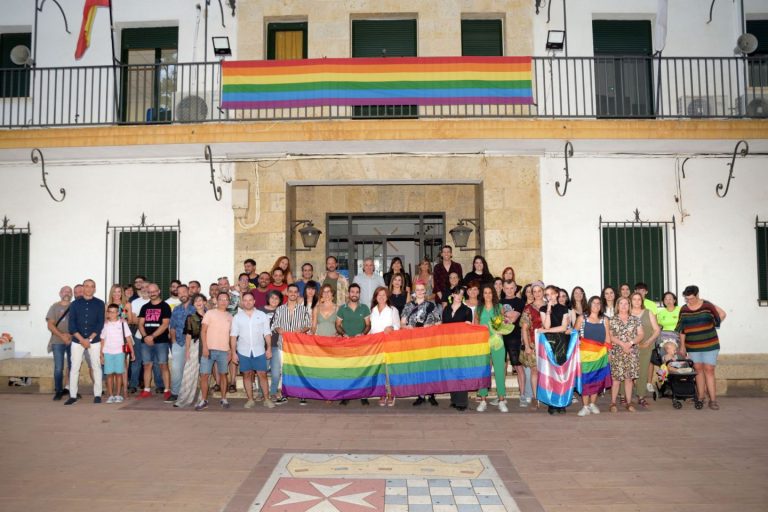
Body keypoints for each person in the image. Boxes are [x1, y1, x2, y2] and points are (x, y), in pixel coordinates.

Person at [676, 285, 726, 410]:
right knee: (697, 370)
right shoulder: (684, 309)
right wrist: (682, 346)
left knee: (709, 369)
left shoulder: (707, 306)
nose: (689, 301)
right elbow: (682, 329)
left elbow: (722, 314)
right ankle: (701, 397)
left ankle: (713, 400)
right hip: (692, 345)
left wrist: (713, 323)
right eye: (687, 299)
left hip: (710, 344)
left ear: (698, 295)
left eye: (691, 298)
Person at [230, 293, 275, 410]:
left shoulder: (262, 315)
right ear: (242, 302)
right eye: (245, 300)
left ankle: (267, 399)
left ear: (254, 301)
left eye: (250, 300)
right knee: (246, 375)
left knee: (263, 375)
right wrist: (233, 353)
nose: (248, 302)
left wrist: (269, 348)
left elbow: (267, 333)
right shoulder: (237, 317)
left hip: (259, 350)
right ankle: (250, 399)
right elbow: (233, 336)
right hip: (243, 351)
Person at [401, 280, 442, 406]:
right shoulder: (408, 306)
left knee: (430, 367)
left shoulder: (431, 305)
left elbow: (439, 323)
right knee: (418, 367)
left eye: (422, 289)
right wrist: (408, 327)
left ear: (425, 291)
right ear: (414, 291)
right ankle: (420, 394)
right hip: (414, 341)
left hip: (429, 341)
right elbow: (402, 323)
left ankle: (431, 394)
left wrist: (430, 325)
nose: (419, 292)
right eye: (417, 289)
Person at [65, 279, 105, 405]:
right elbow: (71, 325)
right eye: (87, 286)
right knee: (74, 368)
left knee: (96, 367)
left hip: (94, 340)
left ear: (94, 288)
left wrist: (90, 339)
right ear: (83, 288)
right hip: (77, 340)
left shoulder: (100, 303)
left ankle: (97, 394)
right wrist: (82, 340)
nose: (89, 288)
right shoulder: (75, 304)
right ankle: (72, 395)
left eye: (92, 286)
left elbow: (100, 324)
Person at [272, 284, 311, 404]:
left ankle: (302, 394)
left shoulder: (303, 309)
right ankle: (285, 394)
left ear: (298, 294)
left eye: (295, 292)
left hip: (298, 346)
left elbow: (307, 325)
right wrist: (279, 330)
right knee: (285, 370)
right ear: (287, 293)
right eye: (291, 291)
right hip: (282, 345)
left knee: (299, 370)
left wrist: (301, 330)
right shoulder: (280, 309)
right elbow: (275, 325)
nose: (293, 293)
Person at [574, 296, 612, 416]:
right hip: (584, 355)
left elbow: (607, 337)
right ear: (589, 304)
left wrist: (609, 352)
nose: (596, 306)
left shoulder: (605, 319)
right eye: (594, 303)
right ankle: (585, 406)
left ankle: (592, 404)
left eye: (598, 303)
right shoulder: (582, 318)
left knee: (597, 379)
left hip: (600, 355)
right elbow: (574, 334)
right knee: (586, 380)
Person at [475, 284, 510, 413]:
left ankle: (501, 400)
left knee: (500, 371)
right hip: (483, 344)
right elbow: (475, 326)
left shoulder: (499, 307)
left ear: (493, 294)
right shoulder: (478, 309)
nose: (488, 295)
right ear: (482, 295)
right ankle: (483, 400)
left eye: (490, 292)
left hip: (497, 343)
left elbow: (503, 323)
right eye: (485, 292)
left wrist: (500, 330)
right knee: (484, 371)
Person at [196, 292, 234, 410]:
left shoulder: (230, 316)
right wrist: (205, 348)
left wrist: (231, 351)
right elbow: (203, 331)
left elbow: (231, 335)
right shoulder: (210, 313)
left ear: (229, 301)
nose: (223, 301)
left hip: (224, 351)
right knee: (204, 375)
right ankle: (204, 400)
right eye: (221, 299)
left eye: (226, 299)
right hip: (209, 350)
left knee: (223, 375)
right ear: (216, 301)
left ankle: (223, 398)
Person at [336, 283, 372, 406]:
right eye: (352, 292)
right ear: (348, 293)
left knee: (361, 370)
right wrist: (343, 334)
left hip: (361, 344)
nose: (354, 294)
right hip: (346, 344)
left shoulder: (365, 308)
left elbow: (368, 325)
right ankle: (346, 395)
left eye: (357, 292)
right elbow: (337, 325)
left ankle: (363, 395)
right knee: (347, 370)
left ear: (359, 294)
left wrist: (363, 334)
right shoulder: (342, 308)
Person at [608, 296, 645, 413]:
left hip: (631, 352)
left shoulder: (635, 319)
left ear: (629, 306)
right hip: (617, 352)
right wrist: (622, 344)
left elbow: (641, 334)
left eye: (626, 304)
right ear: (617, 306)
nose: (624, 306)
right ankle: (613, 403)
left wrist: (630, 343)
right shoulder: (612, 320)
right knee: (616, 379)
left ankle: (629, 403)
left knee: (629, 379)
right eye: (621, 304)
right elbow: (610, 336)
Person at [138, 283, 173, 400]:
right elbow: (140, 324)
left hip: (161, 341)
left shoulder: (165, 306)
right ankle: (147, 390)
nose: (152, 294)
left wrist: (152, 336)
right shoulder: (144, 307)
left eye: (154, 291)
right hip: (145, 342)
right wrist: (145, 337)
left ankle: (167, 390)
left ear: (159, 292)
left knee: (163, 365)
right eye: (150, 292)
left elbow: (165, 325)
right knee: (147, 365)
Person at [540, 285, 571, 414]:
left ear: (557, 294)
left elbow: (563, 328)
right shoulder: (543, 309)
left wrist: (547, 330)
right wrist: (548, 309)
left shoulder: (564, 309)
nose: (549, 297)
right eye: (547, 295)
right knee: (550, 373)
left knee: (561, 372)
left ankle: (561, 402)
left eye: (551, 294)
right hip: (548, 343)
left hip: (561, 343)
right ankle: (552, 402)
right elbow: (546, 324)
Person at [442, 285, 474, 411]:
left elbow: (468, 328)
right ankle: (454, 399)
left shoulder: (467, 310)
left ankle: (462, 402)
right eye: (457, 293)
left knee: (461, 372)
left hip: (461, 345)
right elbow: (443, 327)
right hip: (448, 344)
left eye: (461, 294)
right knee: (451, 371)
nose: (459, 296)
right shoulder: (446, 309)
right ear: (452, 295)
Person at [174, 293, 206, 408]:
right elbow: (188, 335)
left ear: (205, 302)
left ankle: (202, 399)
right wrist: (187, 351)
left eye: (201, 300)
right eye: (196, 301)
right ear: (193, 304)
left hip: (207, 347)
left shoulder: (210, 316)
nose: (199, 302)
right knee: (189, 373)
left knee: (205, 374)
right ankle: (184, 399)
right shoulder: (191, 317)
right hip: (195, 345)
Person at [369, 286, 400, 406]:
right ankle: (382, 393)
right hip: (375, 345)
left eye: (383, 295)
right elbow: (370, 328)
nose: (381, 297)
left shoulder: (393, 310)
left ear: (387, 297)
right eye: (379, 295)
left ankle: (391, 393)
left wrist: (392, 328)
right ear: (375, 297)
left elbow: (398, 326)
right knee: (379, 370)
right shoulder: (372, 310)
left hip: (389, 344)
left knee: (388, 370)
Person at [630, 292, 661, 409]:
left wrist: (649, 341)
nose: (637, 302)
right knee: (628, 372)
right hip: (630, 348)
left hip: (645, 347)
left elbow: (657, 330)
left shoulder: (649, 313)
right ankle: (623, 396)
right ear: (630, 301)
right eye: (634, 299)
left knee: (642, 372)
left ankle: (641, 397)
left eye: (639, 299)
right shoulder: (626, 313)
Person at [100, 303, 134, 404]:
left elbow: (128, 338)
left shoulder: (123, 323)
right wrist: (101, 353)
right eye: (110, 312)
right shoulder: (105, 325)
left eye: (115, 312)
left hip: (120, 352)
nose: (112, 314)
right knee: (109, 375)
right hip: (108, 352)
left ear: (118, 313)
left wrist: (132, 352)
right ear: (107, 313)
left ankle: (118, 394)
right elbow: (102, 339)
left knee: (119, 374)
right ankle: (111, 395)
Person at [520, 283, 545, 410]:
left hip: (547, 344)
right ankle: (536, 398)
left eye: (539, 290)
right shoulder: (528, 308)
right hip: (533, 344)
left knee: (546, 371)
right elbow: (524, 328)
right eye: (534, 291)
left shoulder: (549, 306)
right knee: (534, 370)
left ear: (543, 291)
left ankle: (547, 396)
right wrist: (527, 347)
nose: (537, 293)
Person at [500, 280, 525, 407]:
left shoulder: (520, 302)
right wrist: (505, 317)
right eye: (507, 288)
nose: (509, 290)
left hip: (514, 337)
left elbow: (513, 318)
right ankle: (501, 396)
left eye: (511, 288)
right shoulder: (499, 302)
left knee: (517, 365)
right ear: (503, 289)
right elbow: (497, 320)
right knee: (502, 366)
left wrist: (504, 317)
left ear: (515, 288)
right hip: (500, 337)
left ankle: (523, 396)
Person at [168, 284, 194, 402]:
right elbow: (172, 327)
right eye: (179, 293)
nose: (182, 294)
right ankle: (175, 393)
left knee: (190, 370)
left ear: (189, 292)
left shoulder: (197, 307)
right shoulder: (176, 309)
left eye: (184, 292)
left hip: (193, 344)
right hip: (178, 343)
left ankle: (189, 394)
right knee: (176, 369)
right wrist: (173, 342)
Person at [46, 286, 73, 401]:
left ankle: (73, 391)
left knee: (73, 367)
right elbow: (50, 325)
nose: (66, 293)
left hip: (73, 340)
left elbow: (80, 323)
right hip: (57, 341)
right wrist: (62, 335)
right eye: (64, 291)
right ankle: (58, 391)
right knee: (58, 368)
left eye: (69, 291)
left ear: (71, 294)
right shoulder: (54, 307)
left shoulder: (75, 306)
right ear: (60, 293)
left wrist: (70, 336)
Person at [259, 290, 283, 401]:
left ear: (280, 301)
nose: (274, 300)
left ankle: (273, 392)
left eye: (277, 298)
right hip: (261, 345)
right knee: (262, 370)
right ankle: (261, 392)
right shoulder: (259, 310)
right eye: (272, 298)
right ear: (268, 298)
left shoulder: (282, 311)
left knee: (276, 371)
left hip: (277, 345)